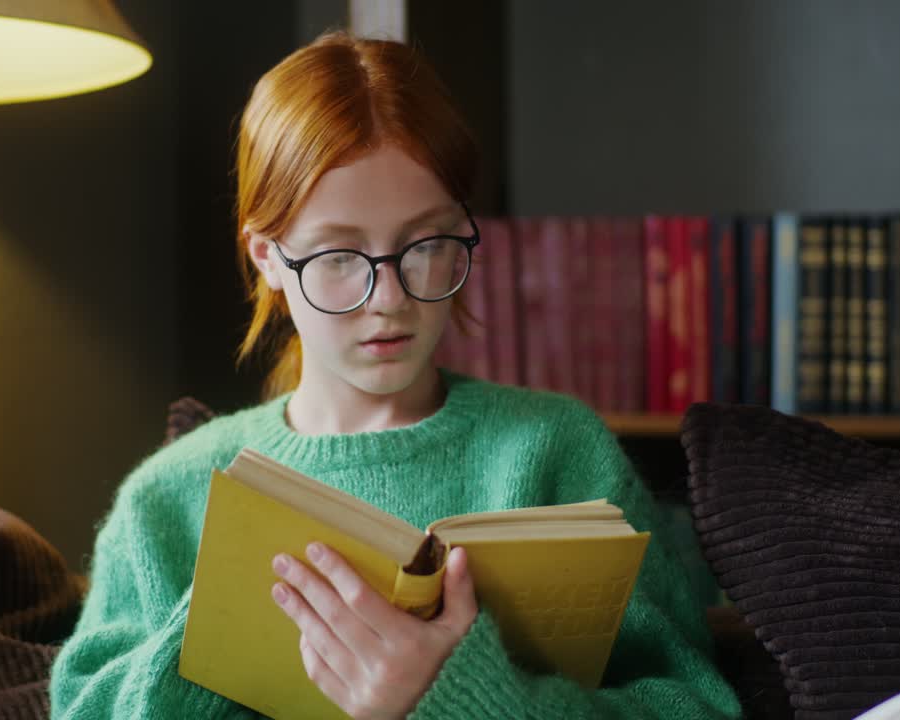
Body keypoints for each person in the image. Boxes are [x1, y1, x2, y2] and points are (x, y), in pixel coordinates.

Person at [49, 31, 741, 719]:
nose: (390, 298)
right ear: (267, 257)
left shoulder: (555, 454)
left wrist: (455, 695)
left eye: (426, 245)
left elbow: (697, 709)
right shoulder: (170, 498)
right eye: (338, 255)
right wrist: (218, 630)